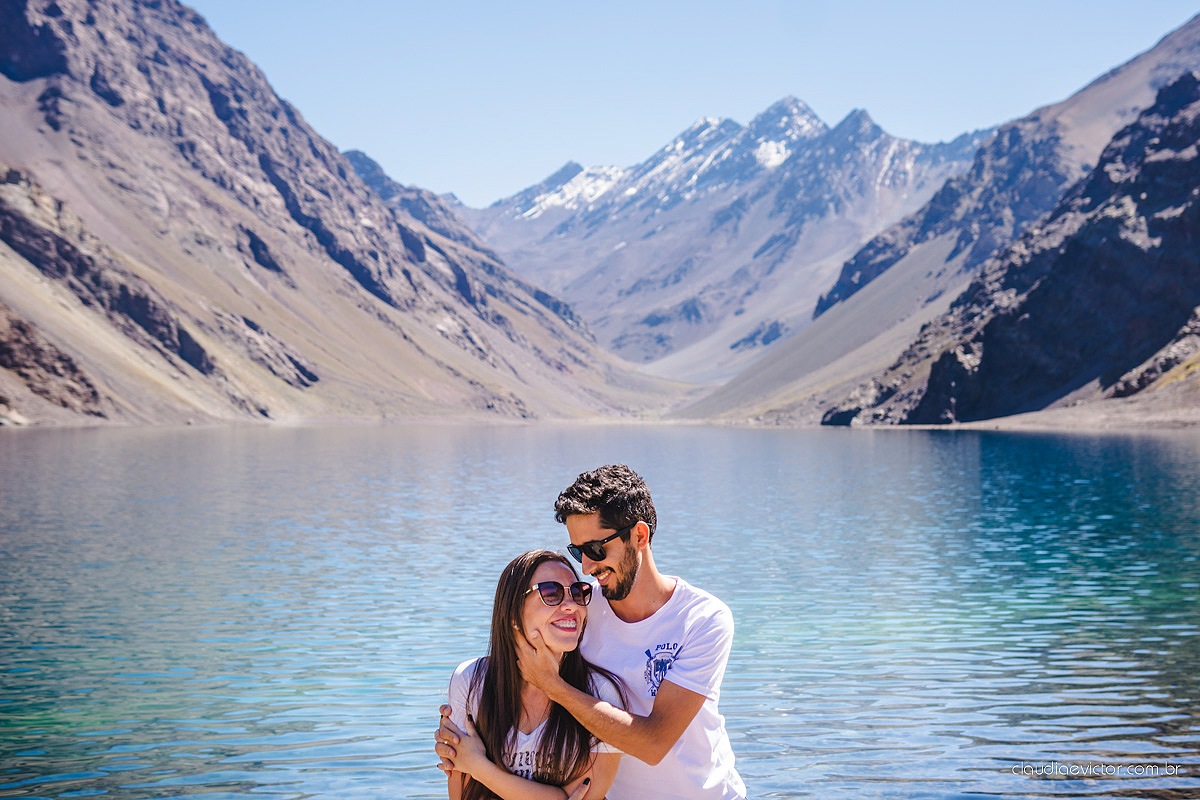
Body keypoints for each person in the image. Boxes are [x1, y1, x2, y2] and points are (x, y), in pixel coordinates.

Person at [439, 465, 745, 800]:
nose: (586, 567)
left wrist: (553, 686)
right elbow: (520, 654)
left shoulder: (703, 619)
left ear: (639, 537)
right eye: (577, 551)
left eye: (596, 550)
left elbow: (655, 744)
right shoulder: (579, 608)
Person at [441, 549, 624, 800]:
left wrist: (478, 766)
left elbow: (589, 796)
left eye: (578, 593)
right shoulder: (472, 681)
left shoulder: (600, 694)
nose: (571, 605)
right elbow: (465, 795)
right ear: (514, 612)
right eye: (551, 593)